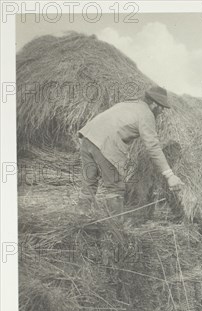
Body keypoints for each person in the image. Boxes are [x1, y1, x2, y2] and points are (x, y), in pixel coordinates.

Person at [77, 85, 184, 217]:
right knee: (115, 188)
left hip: (88, 137)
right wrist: (169, 175)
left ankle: (81, 218)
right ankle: (115, 228)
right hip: (106, 144)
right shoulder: (146, 114)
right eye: (161, 107)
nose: (162, 111)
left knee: (89, 183)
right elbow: (153, 146)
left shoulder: (128, 103)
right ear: (154, 104)